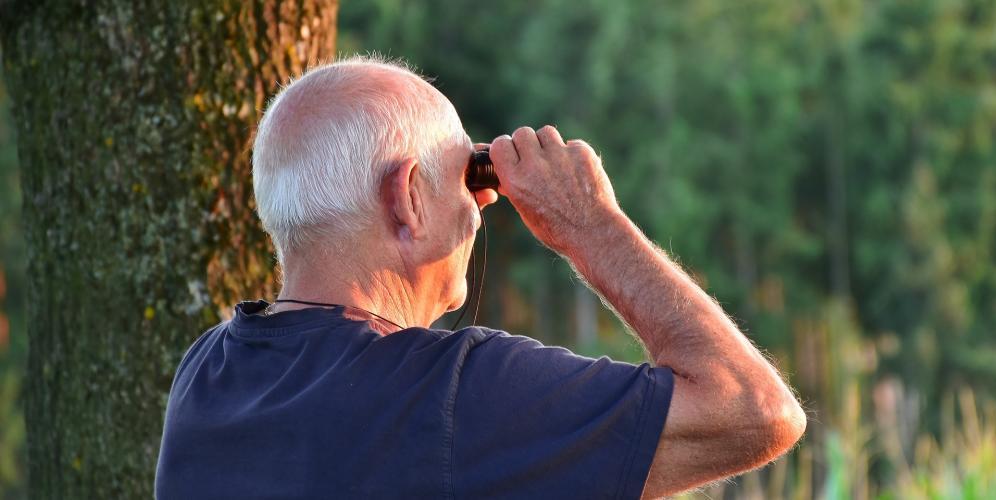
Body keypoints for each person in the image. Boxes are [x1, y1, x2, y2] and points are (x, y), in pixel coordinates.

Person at [155, 55, 806, 499]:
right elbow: (754, 412)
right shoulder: (453, 395)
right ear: (408, 199)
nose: (483, 204)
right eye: (470, 178)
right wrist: (589, 225)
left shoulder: (207, 378)